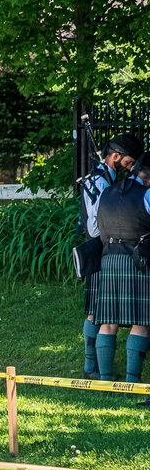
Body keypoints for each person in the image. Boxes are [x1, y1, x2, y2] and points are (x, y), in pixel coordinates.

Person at [77, 134, 143, 379]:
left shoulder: (110, 179)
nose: (129, 167)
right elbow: (95, 228)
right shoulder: (98, 182)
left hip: (108, 250)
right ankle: (90, 367)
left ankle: (93, 368)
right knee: (96, 311)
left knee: (99, 311)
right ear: (115, 156)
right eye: (128, 162)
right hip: (100, 248)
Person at [93, 155, 150, 387]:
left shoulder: (106, 192)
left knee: (107, 323)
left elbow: (95, 227)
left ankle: (104, 382)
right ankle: (132, 384)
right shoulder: (147, 194)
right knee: (142, 323)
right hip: (138, 261)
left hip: (108, 260)